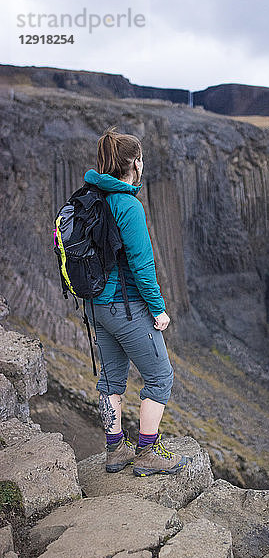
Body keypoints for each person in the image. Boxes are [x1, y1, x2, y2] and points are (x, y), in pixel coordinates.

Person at [84, 126, 190, 477]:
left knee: (112, 380)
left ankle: (115, 450)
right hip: (126, 307)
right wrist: (158, 309)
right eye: (141, 160)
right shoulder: (127, 205)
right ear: (135, 164)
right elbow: (143, 266)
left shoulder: (91, 197)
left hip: (96, 307)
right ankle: (146, 453)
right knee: (160, 377)